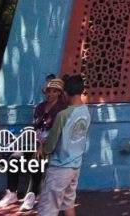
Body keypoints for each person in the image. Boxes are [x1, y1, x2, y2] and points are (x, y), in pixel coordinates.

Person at [0, 75, 68, 211]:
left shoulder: (62, 109)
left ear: (59, 93)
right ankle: (11, 193)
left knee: (36, 160)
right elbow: (34, 127)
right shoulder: (40, 107)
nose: (50, 94)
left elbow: (59, 131)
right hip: (35, 141)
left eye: (54, 91)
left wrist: (43, 144)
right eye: (48, 91)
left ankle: (32, 194)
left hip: (51, 144)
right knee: (14, 158)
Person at [39, 75, 91, 216]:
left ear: (66, 93)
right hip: (75, 166)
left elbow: (51, 144)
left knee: (48, 207)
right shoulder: (86, 112)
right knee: (68, 204)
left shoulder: (63, 115)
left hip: (59, 167)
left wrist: (43, 147)